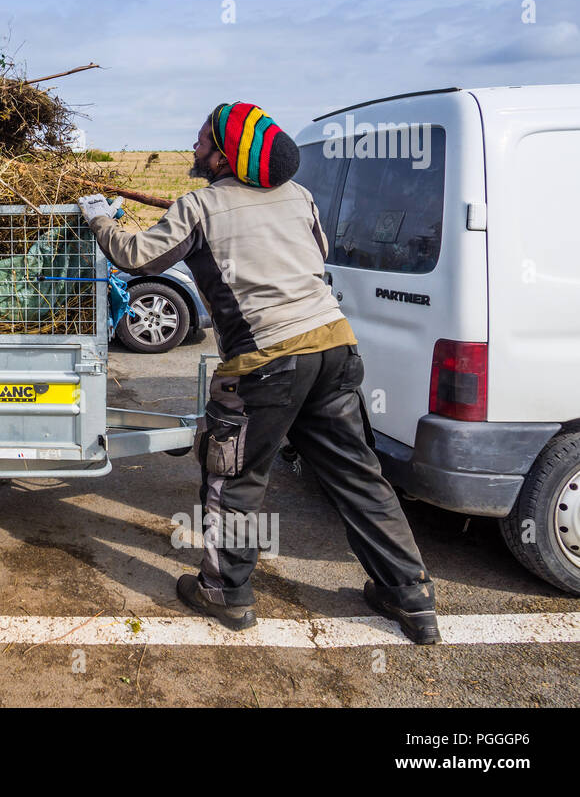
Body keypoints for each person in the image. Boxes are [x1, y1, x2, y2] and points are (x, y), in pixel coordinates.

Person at [78, 102, 440, 644]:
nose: (195, 147)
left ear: (225, 155)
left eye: (202, 140)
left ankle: (225, 594)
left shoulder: (199, 206)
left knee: (234, 478)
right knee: (358, 476)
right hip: (335, 348)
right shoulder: (300, 197)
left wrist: (97, 217)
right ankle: (411, 597)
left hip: (265, 364)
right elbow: (314, 255)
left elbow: (136, 257)